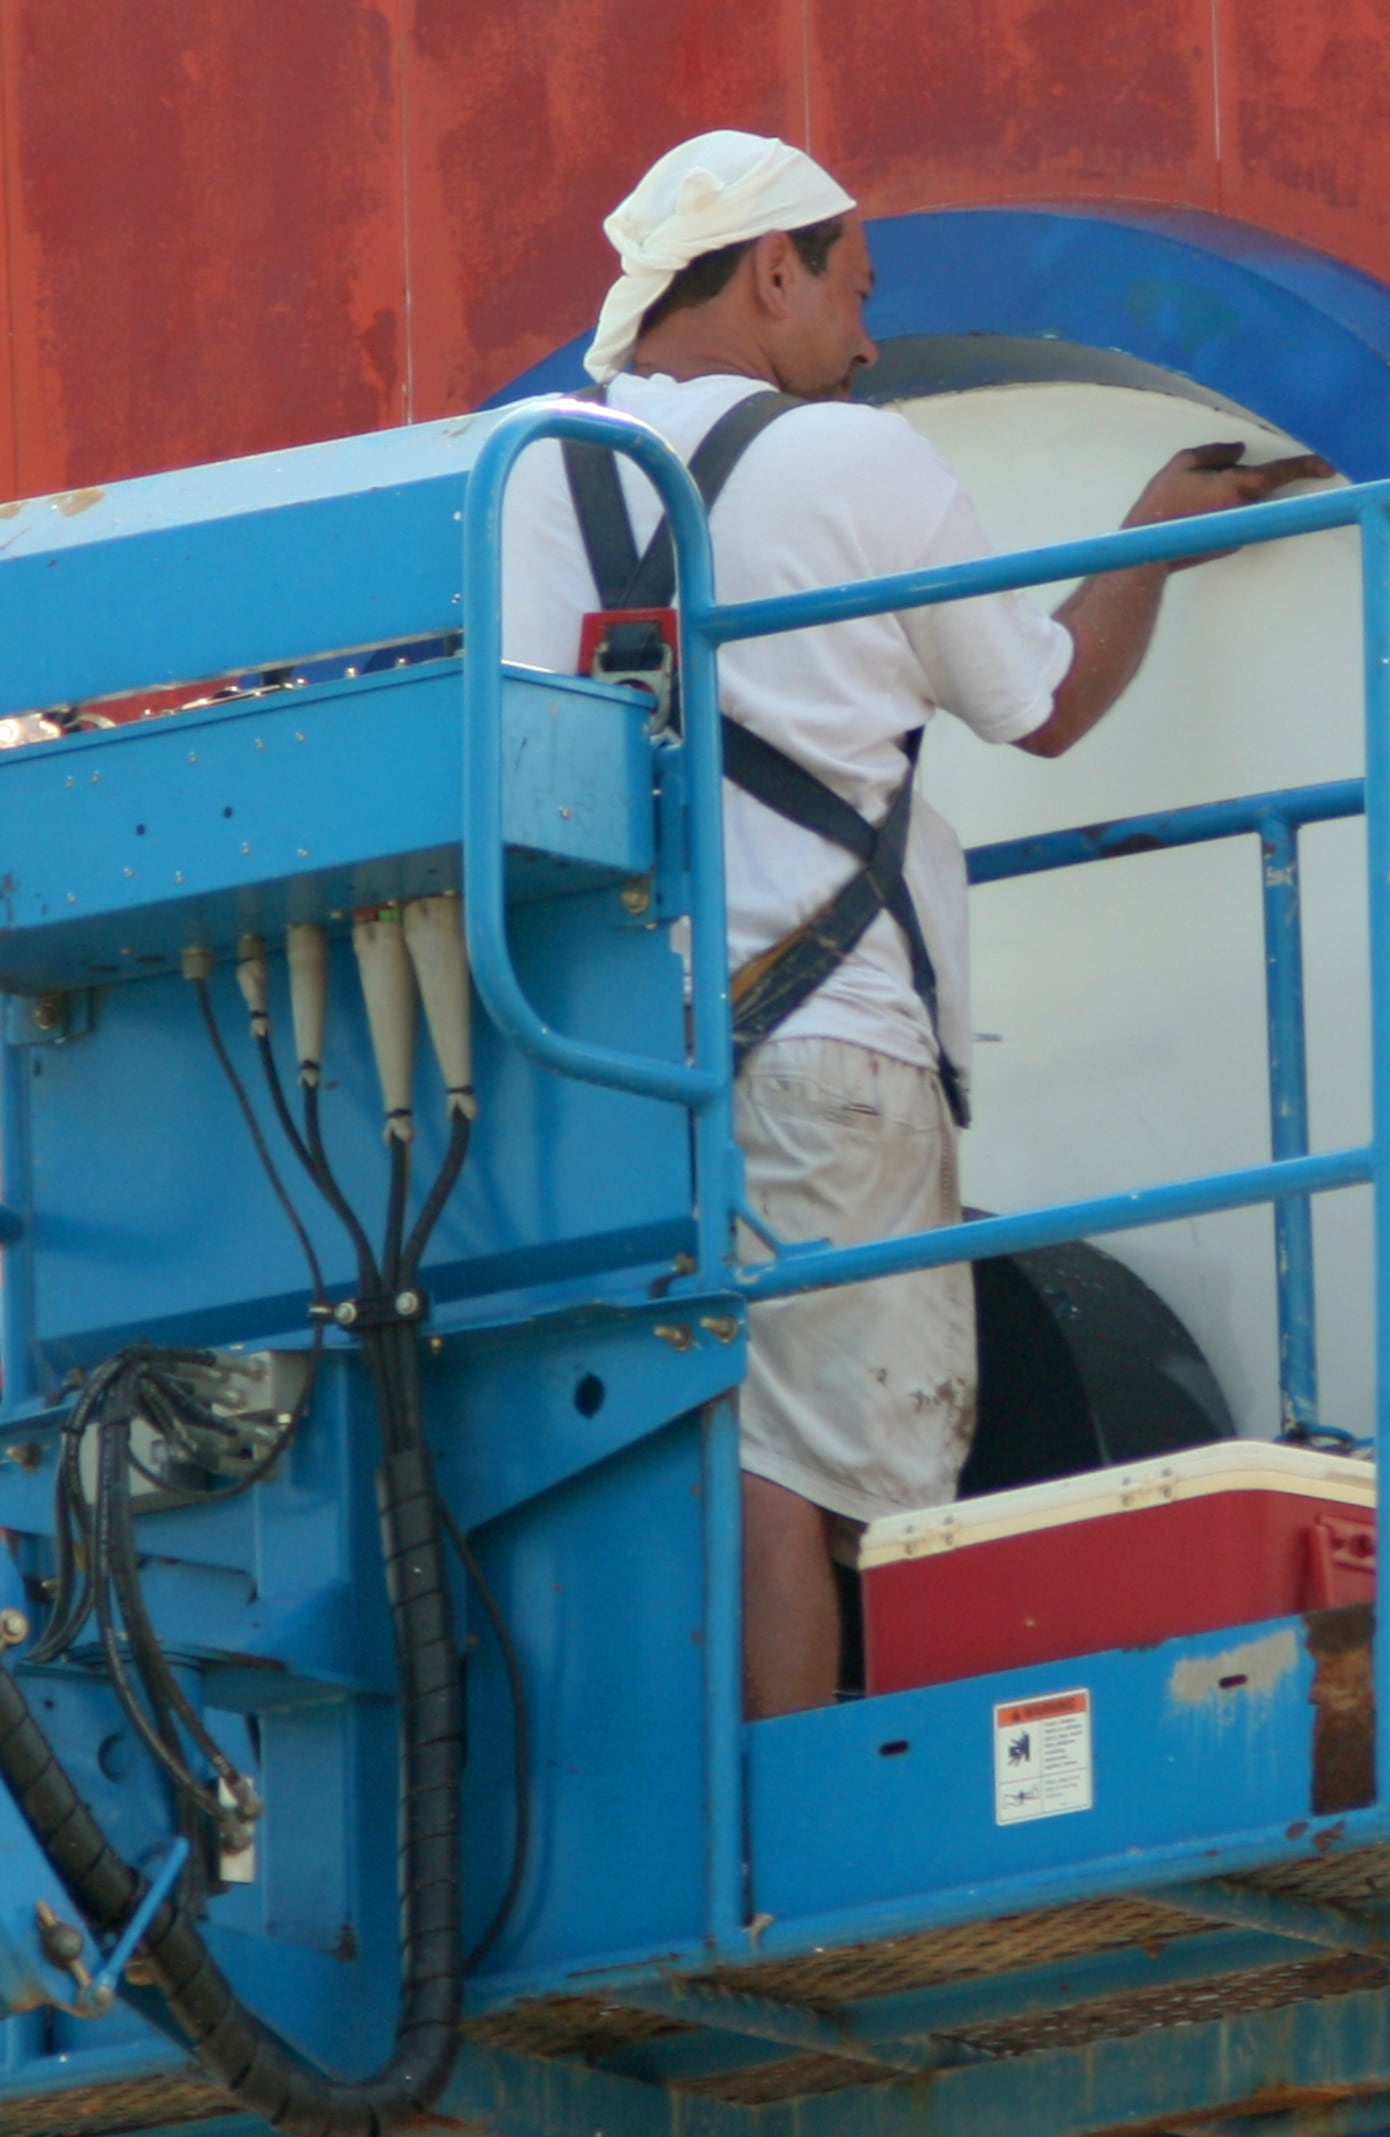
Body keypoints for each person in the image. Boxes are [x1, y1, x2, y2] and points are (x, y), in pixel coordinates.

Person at [503, 131, 1315, 1717]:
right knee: (832, 1483)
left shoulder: (526, 476)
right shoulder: (856, 460)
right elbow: (1047, 702)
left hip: (590, 1066)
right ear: (772, 269)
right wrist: (1153, 528)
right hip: (827, 1053)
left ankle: (676, 1842)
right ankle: (792, 1859)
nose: (867, 341)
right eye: (853, 290)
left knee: (674, 1448)